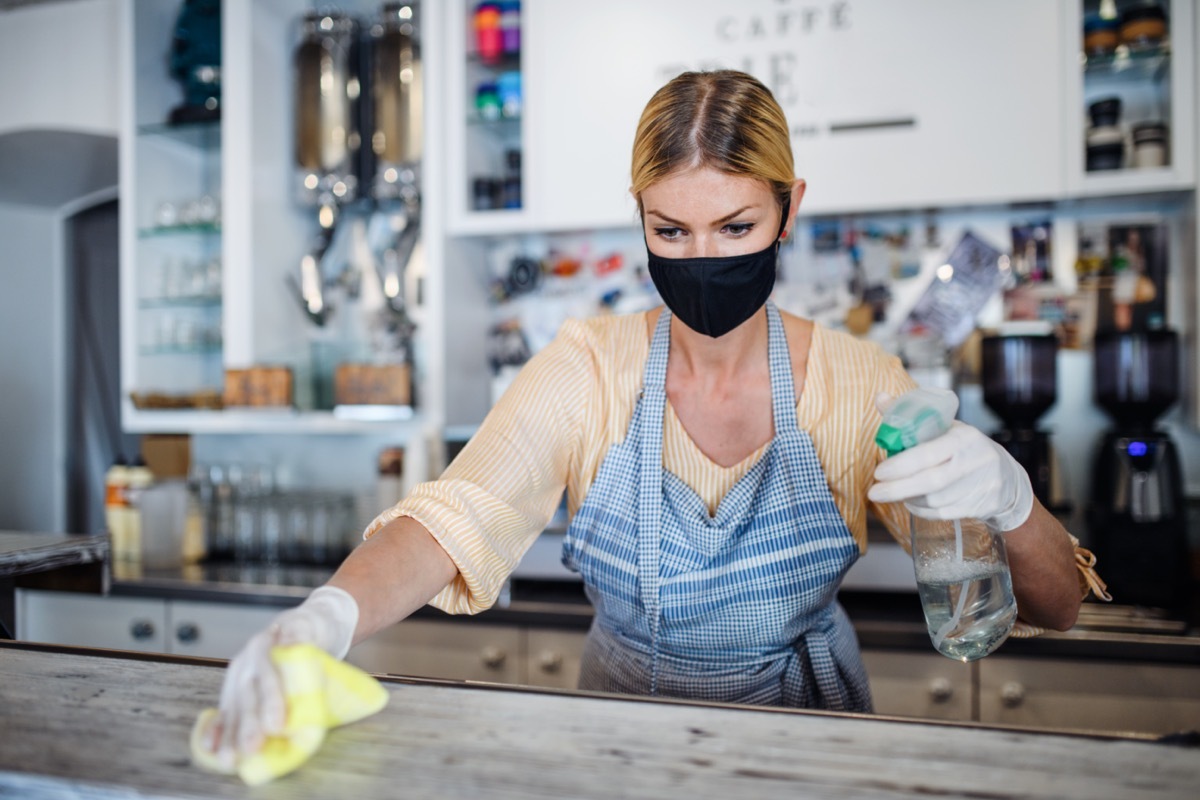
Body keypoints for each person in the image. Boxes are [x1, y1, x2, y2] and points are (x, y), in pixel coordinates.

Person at [208, 70, 1103, 764]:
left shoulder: (860, 386)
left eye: (734, 227)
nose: (701, 256)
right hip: (619, 747)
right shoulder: (587, 369)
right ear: (638, 218)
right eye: (670, 232)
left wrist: (1011, 504)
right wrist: (323, 617)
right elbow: (454, 518)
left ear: (791, 207)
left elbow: (1054, 608)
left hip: (809, 750)